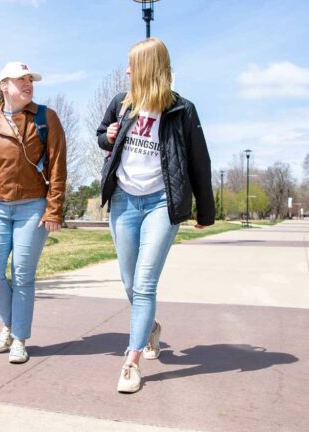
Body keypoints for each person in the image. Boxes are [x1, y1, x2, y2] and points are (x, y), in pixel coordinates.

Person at [97, 38, 215, 393]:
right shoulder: (121, 103)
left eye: (133, 65)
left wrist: (205, 211)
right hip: (124, 200)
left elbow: (199, 162)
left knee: (145, 283)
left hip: (162, 202)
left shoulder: (182, 110)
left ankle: (131, 362)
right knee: (130, 281)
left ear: (148, 68)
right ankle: (150, 329)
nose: (128, 71)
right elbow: (102, 135)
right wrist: (108, 136)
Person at [0, 62, 66, 364]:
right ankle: (10, 323)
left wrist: (54, 209)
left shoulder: (47, 118)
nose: (28, 84)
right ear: (4, 86)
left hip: (33, 206)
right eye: (21, 80)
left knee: (22, 274)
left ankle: (19, 337)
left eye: (30, 80)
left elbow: (58, 167)